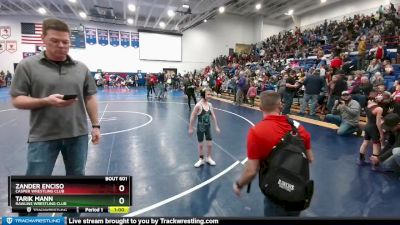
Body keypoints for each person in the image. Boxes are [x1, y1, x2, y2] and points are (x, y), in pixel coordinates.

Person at [10, 18, 100, 183]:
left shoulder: (81, 68)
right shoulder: (27, 66)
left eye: (65, 42)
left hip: (77, 135)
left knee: (77, 180)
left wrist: (95, 126)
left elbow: (90, 97)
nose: (61, 45)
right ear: (43, 38)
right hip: (43, 136)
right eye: (55, 41)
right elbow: (17, 99)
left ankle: (71, 210)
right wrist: (46, 101)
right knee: (34, 184)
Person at [233, 91, 314, 216]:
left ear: (260, 107)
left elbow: (251, 171)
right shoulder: (299, 128)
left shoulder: (257, 132)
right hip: (297, 193)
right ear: (280, 106)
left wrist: (239, 185)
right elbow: (310, 158)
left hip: (277, 192)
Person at [188, 88, 221, 167]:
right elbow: (192, 116)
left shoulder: (210, 105)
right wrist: (190, 127)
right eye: (208, 94)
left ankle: (208, 158)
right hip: (200, 128)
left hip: (208, 127)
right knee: (201, 145)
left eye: (211, 94)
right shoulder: (198, 105)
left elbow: (213, 115)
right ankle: (201, 159)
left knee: (210, 144)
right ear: (203, 95)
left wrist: (216, 126)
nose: (210, 96)